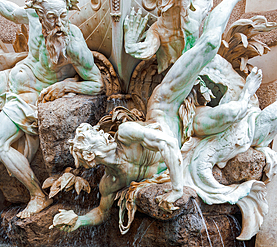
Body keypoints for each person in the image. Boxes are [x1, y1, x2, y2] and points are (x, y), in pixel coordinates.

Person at [52, 0, 242, 232]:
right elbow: (102, 213)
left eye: (92, 138)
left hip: (166, 105)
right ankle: (247, 95)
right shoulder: (110, 183)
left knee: (209, 43)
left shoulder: (125, 135)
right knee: (233, 114)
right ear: (90, 159)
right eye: (88, 146)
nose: (98, 137)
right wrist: (78, 220)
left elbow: (168, 143)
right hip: (187, 133)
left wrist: (176, 190)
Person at [0, 0, 103, 218]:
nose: (59, 23)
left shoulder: (72, 44)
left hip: (29, 98)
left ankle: (37, 195)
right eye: (52, 18)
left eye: (63, 16)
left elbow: (97, 83)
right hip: (10, 78)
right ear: (40, 14)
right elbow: (11, 10)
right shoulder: (33, 18)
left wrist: (65, 86)